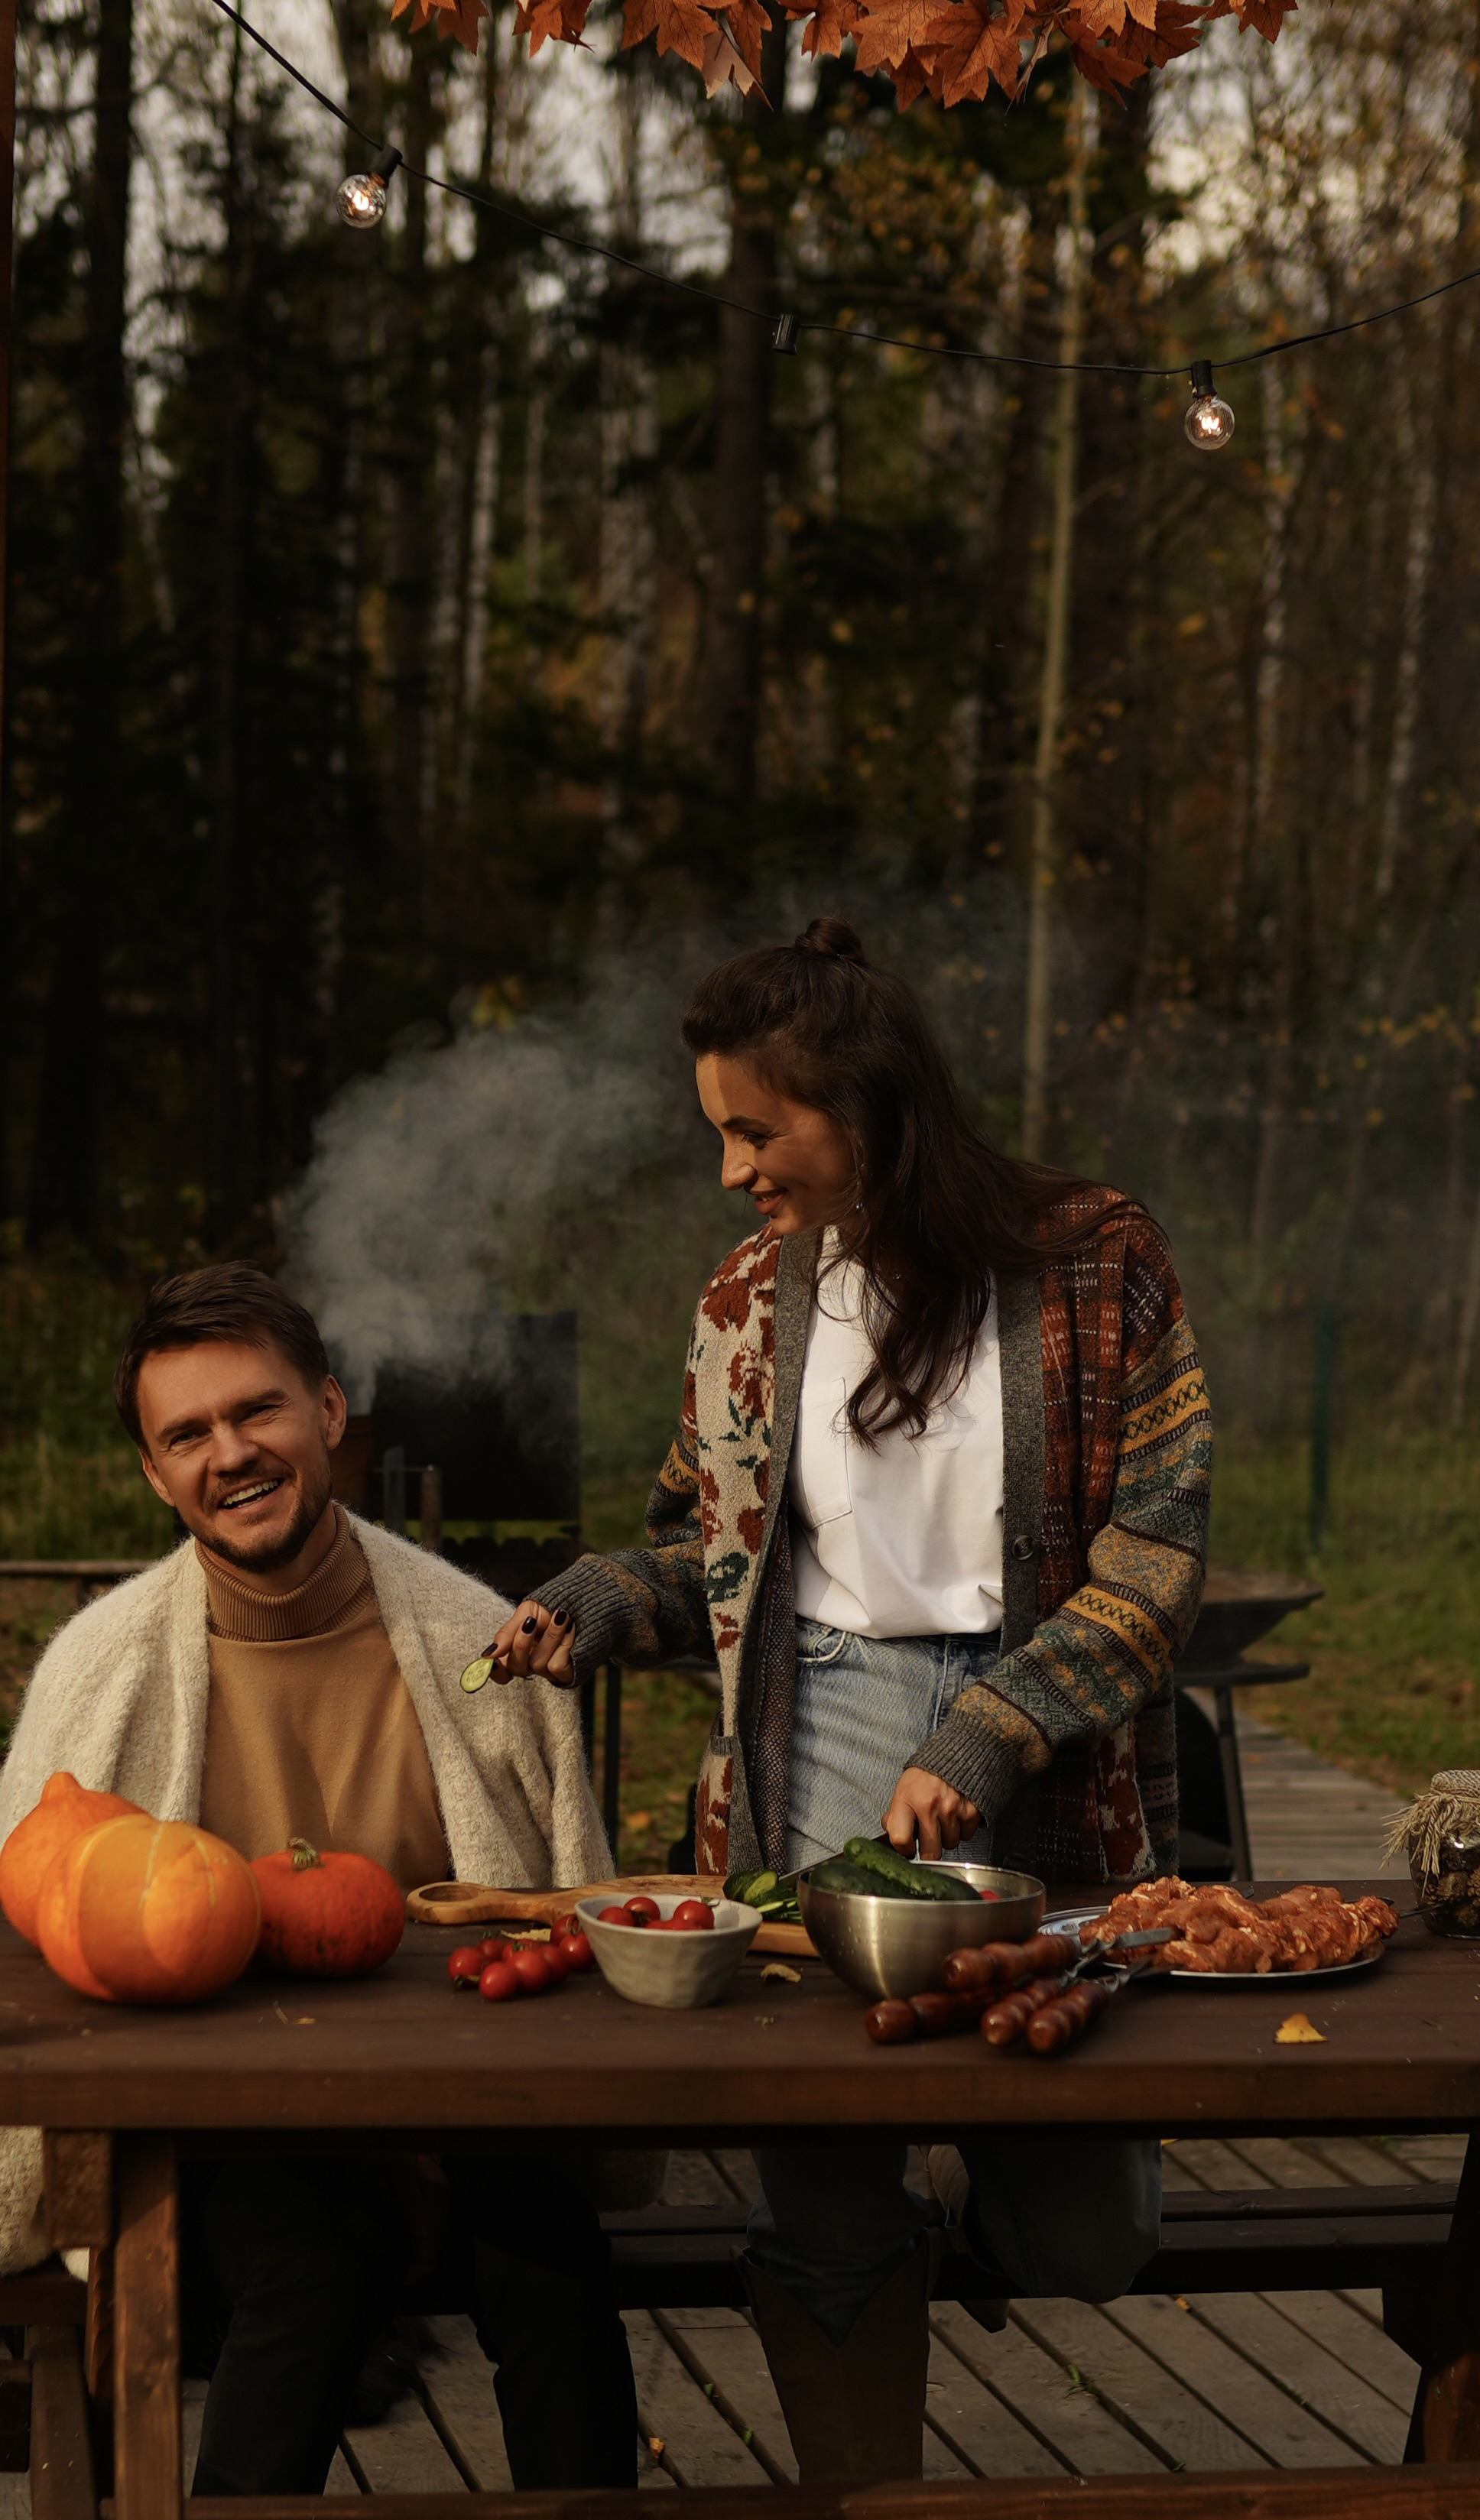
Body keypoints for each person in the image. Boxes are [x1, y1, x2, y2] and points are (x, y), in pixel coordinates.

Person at [482, 916, 1213, 2486]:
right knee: (822, 2193)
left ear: (866, 1102)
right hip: (812, 1742)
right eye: (720, 1133)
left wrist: (990, 1726)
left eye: (756, 1130)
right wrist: (599, 1597)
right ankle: (860, 2485)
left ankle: (960, 2212)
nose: (731, 1169)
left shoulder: (1098, 1256)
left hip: (1046, 1749)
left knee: (1093, 2233)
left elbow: (1157, 1559)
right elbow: (708, 1550)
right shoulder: (746, 1299)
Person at [0, 1265, 636, 2496]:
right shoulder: (100, 1672)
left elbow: (567, 1901)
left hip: (463, 2102)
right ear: (155, 1473)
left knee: (553, 2243)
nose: (231, 1453)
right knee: (315, 2258)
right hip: (218, 2132)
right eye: (188, 1433)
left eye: (258, 1410)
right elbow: (38, 1944)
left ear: (329, 1412)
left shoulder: (474, 1642)